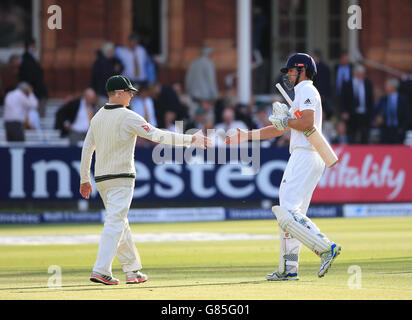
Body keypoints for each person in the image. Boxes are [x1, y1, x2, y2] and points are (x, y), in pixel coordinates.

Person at [79, 75, 211, 285]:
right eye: (129, 92)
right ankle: (101, 270)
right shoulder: (128, 116)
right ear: (119, 93)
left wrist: (85, 178)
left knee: (120, 222)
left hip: (102, 179)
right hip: (121, 177)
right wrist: (191, 138)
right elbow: (157, 135)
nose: (132, 95)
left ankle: (132, 270)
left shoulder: (97, 117)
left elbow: (87, 148)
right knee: (115, 221)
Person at [226, 53, 342, 281]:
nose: (288, 75)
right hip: (309, 155)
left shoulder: (307, 90)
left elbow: (306, 122)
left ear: (303, 70)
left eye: (291, 70)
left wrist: (286, 121)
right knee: (293, 215)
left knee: (286, 211)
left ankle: (326, 247)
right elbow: (280, 129)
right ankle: (289, 269)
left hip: (306, 155)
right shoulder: (299, 93)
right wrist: (247, 135)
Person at [340, 64, 374, 144]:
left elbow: (370, 100)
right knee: (352, 135)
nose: (362, 76)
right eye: (360, 73)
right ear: (356, 73)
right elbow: (342, 100)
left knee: (365, 135)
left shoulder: (367, 83)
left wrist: (371, 114)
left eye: (363, 74)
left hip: (364, 114)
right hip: (351, 114)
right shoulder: (347, 84)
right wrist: (343, 111)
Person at [185, 46, 219, 119]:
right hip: (206, 100)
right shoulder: (209, 63)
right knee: (208, 122)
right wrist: (215, 96)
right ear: (209, 54)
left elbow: (188, 80)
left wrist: (189, 92)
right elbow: (211, 81)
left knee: (193, 122)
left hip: (193, 99)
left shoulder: (193, 63)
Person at [18, 37, 48, 117]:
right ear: (30, 46)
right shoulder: (27, 59)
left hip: (37, 91)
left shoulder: (29, 58)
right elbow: (28, 76)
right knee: (36, 115)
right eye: (34, 46)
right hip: (35, 91)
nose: (35, 48)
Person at [374, 78, 411, 144]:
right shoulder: (383, 99)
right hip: (386, 130)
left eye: (387, 85)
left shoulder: (403, 100)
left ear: (393, 86)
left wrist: (402, 128)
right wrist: (377, 119)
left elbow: (407, 115)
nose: (385, 87)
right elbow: (376, 112)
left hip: (398, 130)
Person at [90, 41, 124, 107]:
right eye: (112, 50)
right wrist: (114, 71)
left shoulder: (113, 60)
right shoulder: (100, 63)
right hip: (102, 93)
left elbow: (121, 66)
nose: (113, 52)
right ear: (107, 51)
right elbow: (103, 76)